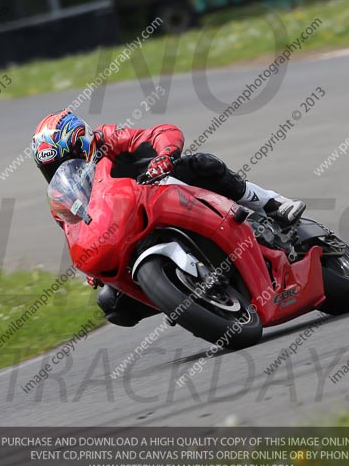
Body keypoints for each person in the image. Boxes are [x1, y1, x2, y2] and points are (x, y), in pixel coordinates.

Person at [32, 108, 305, 326]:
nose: (61, 171)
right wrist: (93, 272)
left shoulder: (109, 139)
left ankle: (272, 204)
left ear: (84, 145)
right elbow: (73, 232)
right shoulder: (64, 198)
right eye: (51, 168)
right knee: (113, 306)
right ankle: (190, 297)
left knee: (201, 165)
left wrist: (164, 155)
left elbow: (162, 132)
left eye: (65, 160)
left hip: (160, 189)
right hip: (124, 232)